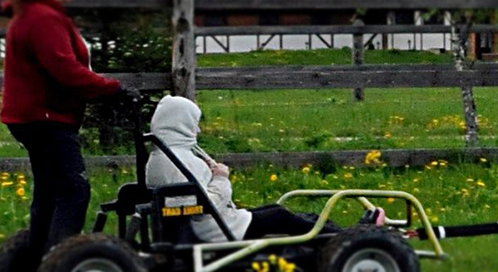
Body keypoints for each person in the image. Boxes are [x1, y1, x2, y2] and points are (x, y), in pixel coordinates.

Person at [0, 0, 131, 272]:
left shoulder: (33, 14)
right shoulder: (42, 18)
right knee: (73, 190)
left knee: (50, 193)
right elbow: (66, 71)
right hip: (46, 118)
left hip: (33, 116)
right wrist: (113, 89)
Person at [145, 94, 382, 241]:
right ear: (180, 124)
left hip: (215, 225)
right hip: (218, 231)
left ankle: (348, 234)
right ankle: (351, 240)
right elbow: (206, 203)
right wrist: (221, 178)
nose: (197, 130)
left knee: (287, 213)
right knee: (280, 215)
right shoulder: (179, 160)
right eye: (193, 124)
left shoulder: (163, 157)